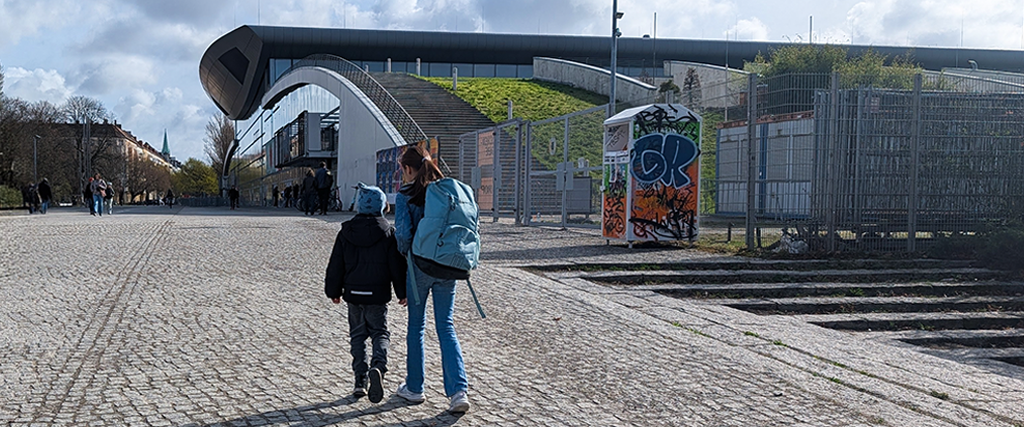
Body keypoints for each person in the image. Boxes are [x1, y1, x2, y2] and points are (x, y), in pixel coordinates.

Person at [393, 145, 471, 413]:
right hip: (448, 265)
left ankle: (414, 387)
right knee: (446, 326)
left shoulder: (406, 194)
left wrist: (407, 255)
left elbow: (403, 235)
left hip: (419, 267)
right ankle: (458, 391)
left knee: (416, 327)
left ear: (407, 169)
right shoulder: (447, 190)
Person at [325, 184, 407, 403]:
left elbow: (336, 264)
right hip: (377, 294)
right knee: (380, 333)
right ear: (382, 206)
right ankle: (378, 367)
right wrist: (402, 291)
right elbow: (396, 266)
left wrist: (333, 290)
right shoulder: (388, 232)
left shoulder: (346, 232)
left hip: (353, 294)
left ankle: (360, 380)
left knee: (358, 336)